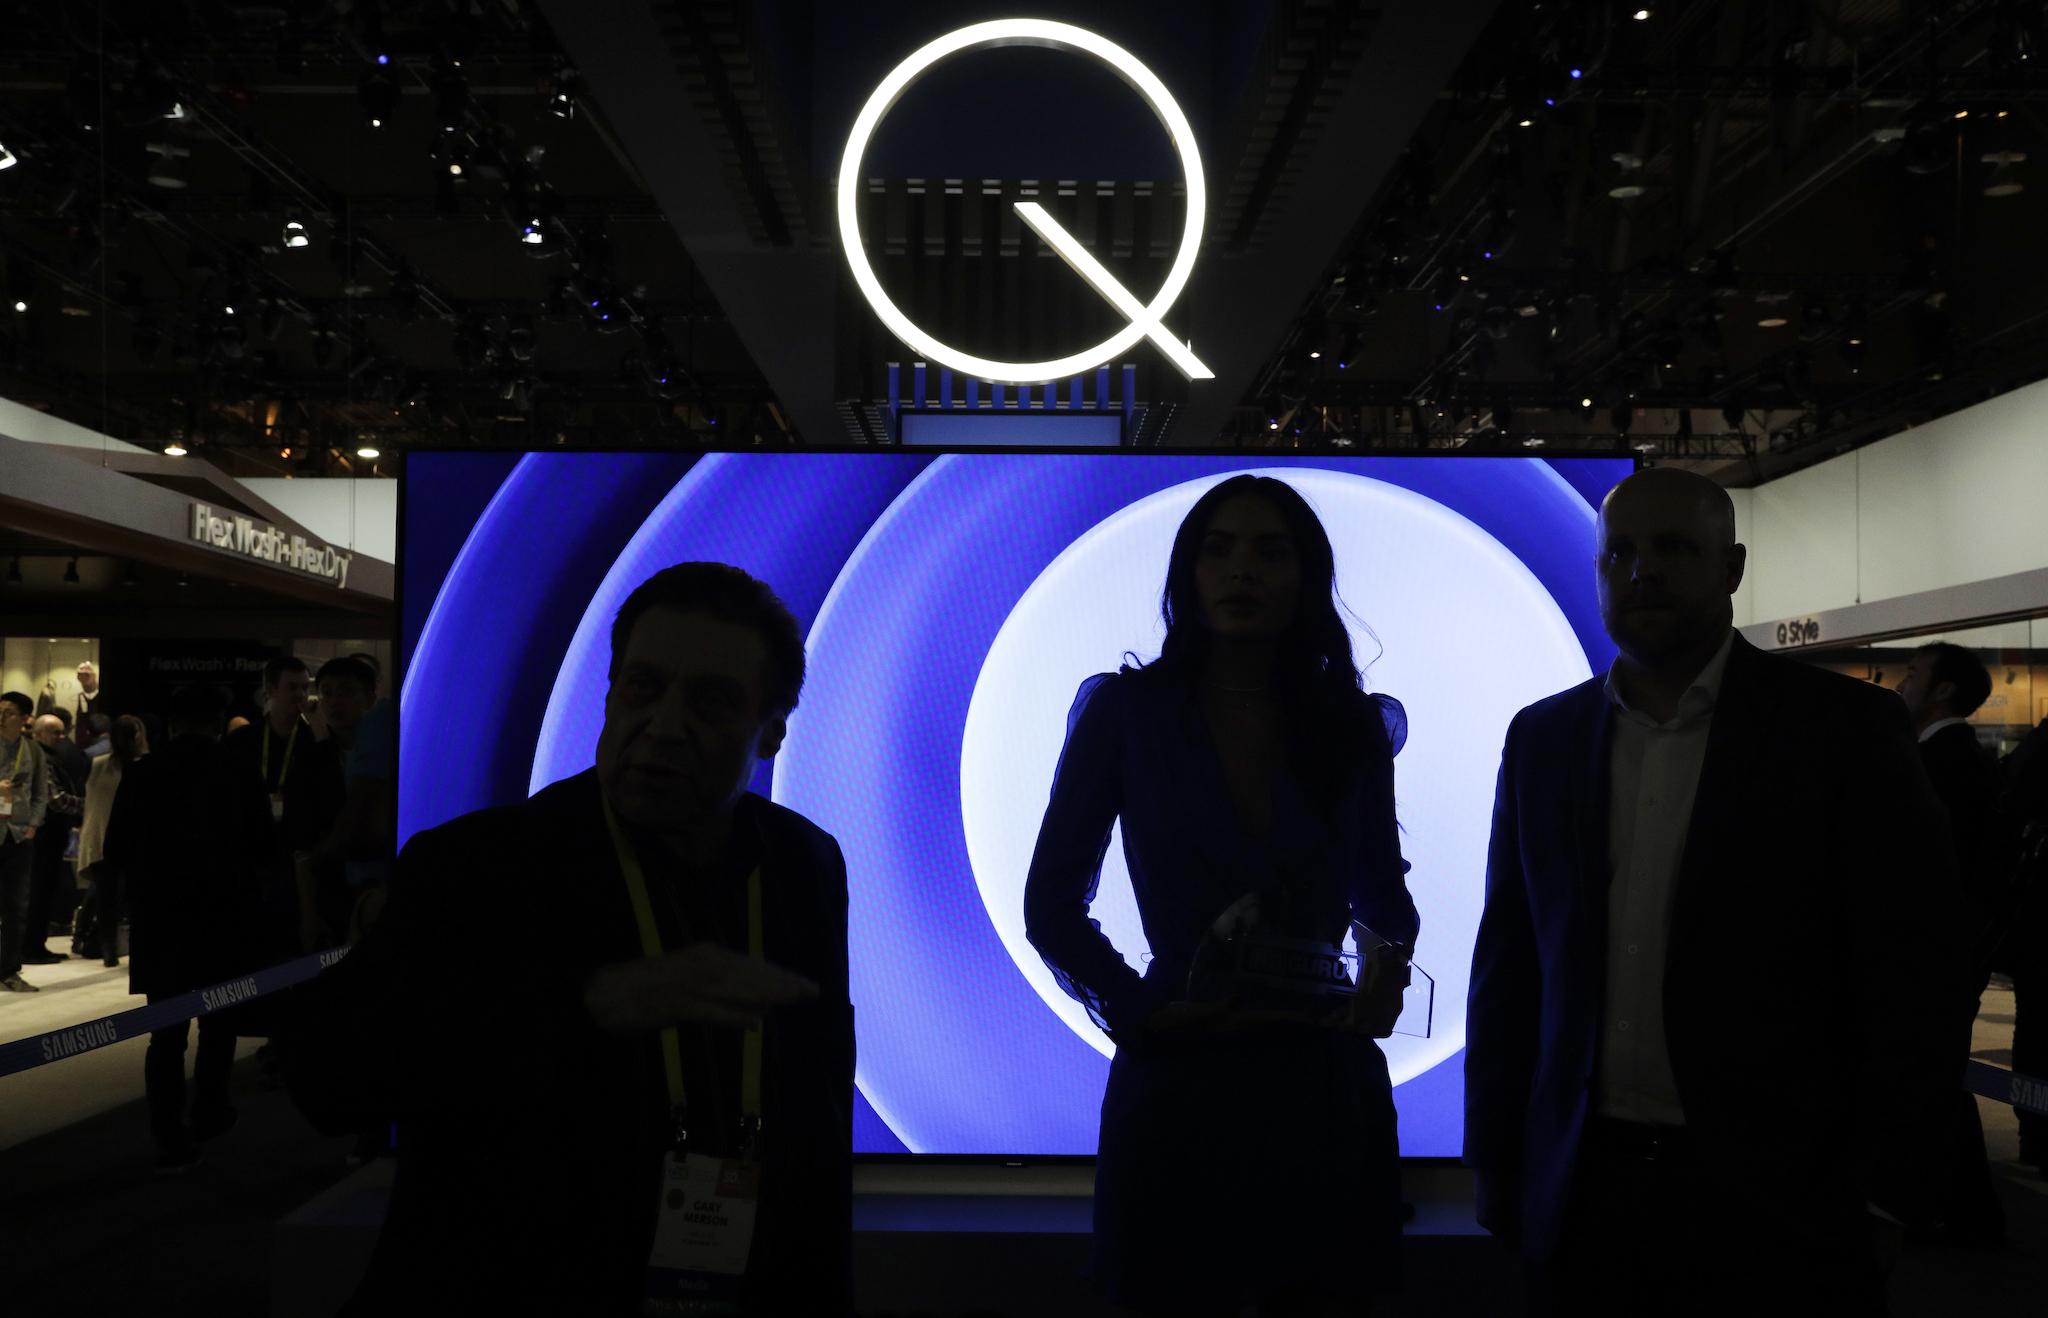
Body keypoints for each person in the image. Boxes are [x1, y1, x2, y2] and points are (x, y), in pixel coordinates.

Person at [278, 562, 855, 1316]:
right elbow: (326, 1076)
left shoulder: (802, 864)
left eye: (711, 702)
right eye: (643, 688)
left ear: (771, 732)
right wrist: (584, 1005)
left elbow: (812, 1131)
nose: (665, 725)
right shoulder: (477, 866)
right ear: (610, 696)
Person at [1465, 467, 1957, 1317]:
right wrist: (1496, 1156)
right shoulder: (1544, 738)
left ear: (1731, 568)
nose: (1642, 570)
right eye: (1619, 551)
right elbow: (1509, 964)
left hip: (1780, 1197)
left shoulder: (1842, 732)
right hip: (1582, 1189)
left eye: (1673, 547)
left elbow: (1913, 967)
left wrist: (1888, 1186)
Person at [1023, 475, 1417, 1318]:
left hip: (1320, 1081)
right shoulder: (1128, 713)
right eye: (1219, 549)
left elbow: (1386, 899)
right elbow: (1051, 903)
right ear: (1188, 572)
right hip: (1179, 1071)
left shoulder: (1351, 724)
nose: (1242, 571)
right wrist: (1141, 1012)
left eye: (1271, 552)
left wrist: (1385, 971)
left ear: (1305, 577)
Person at [103, 684, 276, 1173]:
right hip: (225, 917)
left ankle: (167, 1133)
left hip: (161, 921)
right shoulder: (239, 770)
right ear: (220, 719)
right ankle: (210, 1112)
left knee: (165, 1035)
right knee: (218, 1025)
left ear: (171, 723)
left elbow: (116, 850)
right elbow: (264, 845)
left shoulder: (142, 774)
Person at [1896, 642, 2006, 1241]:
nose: (1902, 683)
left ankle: (1961, 1210)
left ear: (1941, 691)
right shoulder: (1956, 758)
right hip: (1949, 952)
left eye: (1913, 674)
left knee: (1930, 1072)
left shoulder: (1941, 763)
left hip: (1932, 954)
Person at [225, 656, 321, 958]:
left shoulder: (314, 741)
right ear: (270, 690)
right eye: (292, 687)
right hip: (250, 858)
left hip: (300, 855)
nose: (300, 696)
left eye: (305, 688)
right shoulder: (242, 741)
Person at [292, 656, 377, 952]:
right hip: (332, 891)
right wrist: (309, 915)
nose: (333, 702)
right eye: (326, 692)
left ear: (369, 697)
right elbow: (301, 840)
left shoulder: (394, 753)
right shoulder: (310, 760)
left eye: (345, 691)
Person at [76, 715, 148, 967]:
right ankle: (112, 947)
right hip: (124, 842)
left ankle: (110, 948)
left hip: (106, 840)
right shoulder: (104, 764)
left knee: (108, 898)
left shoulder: (97, 764)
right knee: (120, 897)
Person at [23, 713, 89, 963]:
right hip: (44, 834)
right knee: (39, 891)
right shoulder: (41, 757)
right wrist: (88, 805)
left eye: (63, 732)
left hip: (49, 833)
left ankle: (35, 945)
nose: (61, 737)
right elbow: (55, 800)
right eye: (55, 732)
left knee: (44, 891)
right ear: (38, 733)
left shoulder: (48, 756)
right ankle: (31, 947)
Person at [1, 691, 54, 992]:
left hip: (19, 835)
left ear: (23, 719)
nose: (1, 716)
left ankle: (9, 969)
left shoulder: (33, 751)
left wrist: (34, 824)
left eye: (8, 712)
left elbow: (40, 793)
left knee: (16, 906)